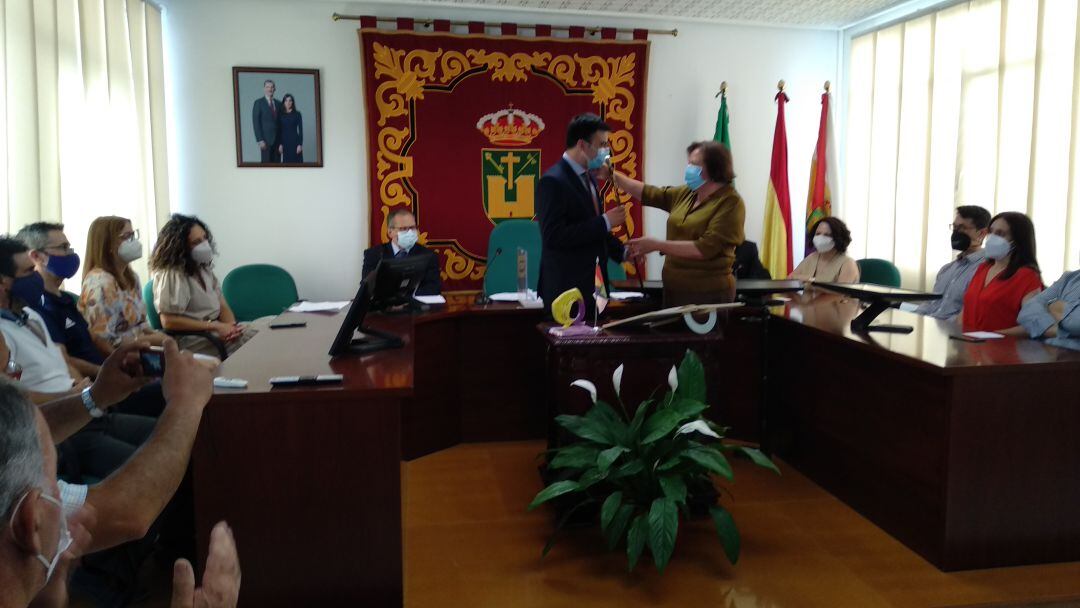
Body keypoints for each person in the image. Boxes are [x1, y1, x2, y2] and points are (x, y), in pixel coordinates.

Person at [0, 346, 241, 608]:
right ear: (30, 523)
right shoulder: (26, 500)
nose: (15, 376)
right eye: (7, 371)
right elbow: (128, 513)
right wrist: (187, 403)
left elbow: (29, 431)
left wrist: (95, 397)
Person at [0, 236, 154, 483]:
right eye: (28, 272)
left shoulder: (30, 315)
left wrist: (85, 388)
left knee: (173, 437)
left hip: (88, 411)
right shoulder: (2, 334)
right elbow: (15, 401)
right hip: (60, 430)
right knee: (150, 468)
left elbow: (63, 362)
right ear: (3, 283)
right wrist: (76, 396)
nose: (36, 276)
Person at [16, 222, 167, 421]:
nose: (70, 253)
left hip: (109, 376)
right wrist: (104, 376)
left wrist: (122, 365)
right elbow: (63, 361)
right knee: (172, 396)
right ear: (37, 257)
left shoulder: (67, 300)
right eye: (63, 248)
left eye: (69, 247)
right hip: (96, 386)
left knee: (178, 384)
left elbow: (93, 340)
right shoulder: (40, 305)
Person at [613, 141, 746, 305]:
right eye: (688, 163)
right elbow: (651, 194)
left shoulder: (731, 203)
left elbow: (705, 248)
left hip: (707, 295)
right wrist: (614, 177)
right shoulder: (688, 193)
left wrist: (657, 245)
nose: (688, 168)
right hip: (674, 291)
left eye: (694, 164)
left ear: (713, 169)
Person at [536, 113, 627, 318]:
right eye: (602, 144)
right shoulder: (553, 181)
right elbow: (554, 235)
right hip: (567, 289)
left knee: (601, 347)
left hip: (596, 287)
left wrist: (623, 252)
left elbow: (592, 228)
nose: (606, 151)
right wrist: (605, 221)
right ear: (582, 145)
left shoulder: (589, 179)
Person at [150, 214, 255, 358]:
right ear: (181, 247)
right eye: (196, 242)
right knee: (257, 341)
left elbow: (222, 304)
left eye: (205, 238)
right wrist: (217, 327)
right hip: (194, 339)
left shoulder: (202, 269)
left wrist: (232, 328)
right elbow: (169, 321)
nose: (204, 244)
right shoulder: (172, 274)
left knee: (268, 325)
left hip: (215, 332)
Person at [80, 216, 168, 351]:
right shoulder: (100, 283)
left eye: (133, 235)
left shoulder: (131, 277)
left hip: (142, 349)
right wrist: (148, 340)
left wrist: (161, 339)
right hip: (121, 357)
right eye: (126, 236)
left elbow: (141, 324)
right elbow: (104, 340)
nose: (133, 241)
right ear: (107, 244)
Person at [959, 211, 1043, 335]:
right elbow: (965, 309)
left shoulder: (1027, 276)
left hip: (999, 348)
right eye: (991, 231)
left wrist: (994, 335)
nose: (992, 237)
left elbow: (1032, 324)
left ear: (1016, 240)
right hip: (967, 343)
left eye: (1000, 233)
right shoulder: (983, 268)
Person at [914, 205, 990, 320]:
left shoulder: (986, 270)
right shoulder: (946, 269)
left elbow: (969, 315)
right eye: (954, 227)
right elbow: (930, 305)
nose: (956, 232)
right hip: (930, 325)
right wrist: (912, 318)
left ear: (981, 233)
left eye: (962, 228)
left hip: (951, 332)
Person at [361, 208, 442, 295]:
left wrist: (405, 298)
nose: (410, 232)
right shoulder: (374, 255)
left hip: (415, 306)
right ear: (390, 232)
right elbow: (366, 287)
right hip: (384, 306)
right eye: (404, 229)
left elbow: (433, 288)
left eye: (412, 228)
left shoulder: (429, 256)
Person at [1018, 265, 1080, 351]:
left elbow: (1076, 321)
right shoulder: (1069, 278)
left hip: (1072, 358)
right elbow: (1028, 310)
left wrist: (1050, 307)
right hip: (1043, 353)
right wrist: (1053, 329)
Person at [788, 217, 860, 284]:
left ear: (838, 238)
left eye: (827, 235)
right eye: (818, 234)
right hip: (807, 298)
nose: (820, 238)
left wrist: (810, 279)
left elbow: (838, 295)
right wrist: (796, 297)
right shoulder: (812, 257)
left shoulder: (848, 263)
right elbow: (790, 280)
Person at [252, 79, 282, 163]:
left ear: (274, 89)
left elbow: (281, 124)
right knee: (266, 167)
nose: (270, 89)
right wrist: (260, 140)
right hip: (265, 141)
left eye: (272, 87)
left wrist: (281, 143)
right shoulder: (258, 103)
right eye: (268, 87)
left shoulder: (279, 104)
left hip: (277, 142)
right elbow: (256, 122)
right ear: (264, 89)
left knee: (278, 168)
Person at [277, 93, 303, 163]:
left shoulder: (297, 114)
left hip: (295, 142)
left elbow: (301, 130)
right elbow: (279, 131)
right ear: (284, 102)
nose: (288, 102)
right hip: (285, 143)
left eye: (290, 101)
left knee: (298, 165)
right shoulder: (280, 114)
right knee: (286, 166)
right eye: (286, 101)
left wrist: (300, 144)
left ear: (292, 102)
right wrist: (280, 144)